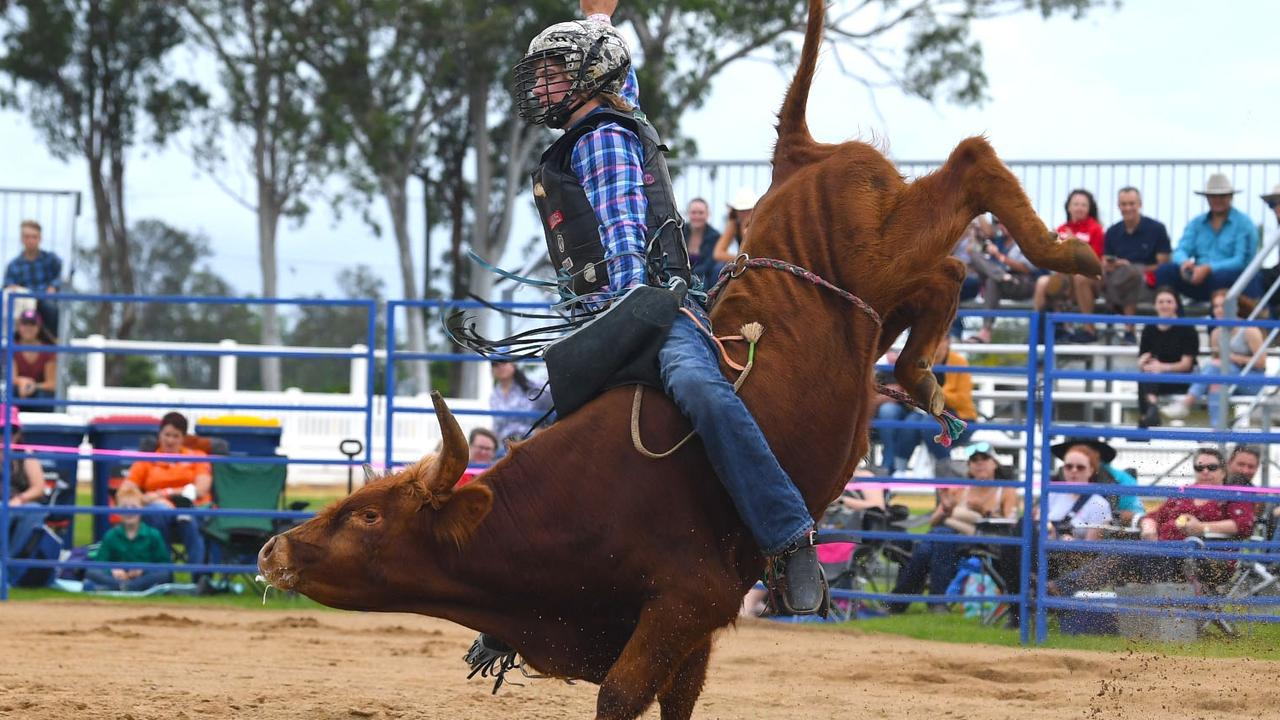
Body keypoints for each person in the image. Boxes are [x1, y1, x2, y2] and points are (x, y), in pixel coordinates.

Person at [513, 0, 824, 613]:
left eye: (554, 70)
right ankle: (521, 589)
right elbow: (612, 74)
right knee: (549, 454)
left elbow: (624, 233)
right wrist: (596, 21)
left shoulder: (601, 137)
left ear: (585, 79)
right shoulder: (601, 119)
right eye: (542, 70)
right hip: (608, 320)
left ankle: (789, 534)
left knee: (700, 391)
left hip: (651, 313)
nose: (543, 82)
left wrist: (621, 324)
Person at [1050, 448, 1255, 596]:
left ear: (1223, 471)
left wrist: (1202, 527)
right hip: (1164, 554)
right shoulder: (1184, 493)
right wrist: (1148, 525)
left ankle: (1059, 592)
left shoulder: (1232, 494)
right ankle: (1068, 600)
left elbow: (1244, 525)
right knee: (1121, 551)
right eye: (1199, 467)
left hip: (1203, 559)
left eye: (1212, 467)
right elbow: (1153, 515)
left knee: (1121, 552)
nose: (1205, 472)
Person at [887, 443, 1018, 613]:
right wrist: (946, 509)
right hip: (950, 537)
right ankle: (936, 602)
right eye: (974, 460)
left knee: (932, 543)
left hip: (984, 540)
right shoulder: (960, 488)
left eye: (984, 459)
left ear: (995, 463)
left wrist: (983, 512)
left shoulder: (1006, 490)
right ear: (969, 466)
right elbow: (934, 521)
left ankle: (898, 603)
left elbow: (1011, 524)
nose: (979, 463)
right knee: (931, 544)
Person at [117, 412, 212, 575]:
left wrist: (165, 494)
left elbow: (201, 488)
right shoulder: (147, 459)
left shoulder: (197, 457)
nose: (170, 440)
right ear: (159, 435)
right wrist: (150, 500)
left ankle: (199, 579)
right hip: (158, 512)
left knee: (187, 520)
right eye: (166, 435)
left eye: (176, 436)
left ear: (183, 438)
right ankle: (163, 575)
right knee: (157, 513)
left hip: (193, 508)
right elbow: (125, 491)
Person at [1161, 289, 1266, 427]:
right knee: (1216, 383)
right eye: (1215, 306)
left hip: (1253, 382)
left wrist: (1233, 358)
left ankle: (1186, 403)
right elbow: (1217, 364)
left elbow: (1261, 363)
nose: (1218, 310)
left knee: (1216, 368)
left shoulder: (1249, 330)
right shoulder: (1216, 333)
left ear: (1234, 307)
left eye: (1222, 306)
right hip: (1228, 379)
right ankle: (1217, 431)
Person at [877, 335, 976, 476]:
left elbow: (961, 401)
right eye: (932, 340)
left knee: (927, 424)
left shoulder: (958, 362)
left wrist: (931, 391)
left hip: (958, 416)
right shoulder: (921, 362)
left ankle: (944, 469)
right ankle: (899, 471)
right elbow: (911, 394)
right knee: (911, 423)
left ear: (948, 342)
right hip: (927, 414)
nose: (935, 345)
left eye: (940, 340)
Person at [1154, 173, 1261, 302]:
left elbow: (1241, 261)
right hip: (1198, 278)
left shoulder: (1244, 223)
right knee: (1165, 271)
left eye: (1222, 196)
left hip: (1230, 281)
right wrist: (1184, 263)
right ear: (1207, 198)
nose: (1217, 200)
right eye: (1213, 196)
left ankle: (1217, 315)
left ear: (1230, 197)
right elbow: (1181, 250)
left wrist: (1209, 268)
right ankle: (1172, 316)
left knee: (1221, 276)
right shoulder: (1197, 223)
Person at [1032, 189, 1105, 343]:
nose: (1079, 208)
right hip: (1064, 276)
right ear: (1069, 207)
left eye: (1083, 205)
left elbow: (1095, 261)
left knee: (1078, 278)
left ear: (1089, 208)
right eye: (1076, 204)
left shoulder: (1095, 229)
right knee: (1042, 282)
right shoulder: (1061, 229)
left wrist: (1075, 245)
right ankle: (1038, 332)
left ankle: (1089, 329)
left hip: (1088, 277)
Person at [1101, 187, 1172, 343]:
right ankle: (1128, 331)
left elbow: (1164, 264)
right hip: (1119, 281)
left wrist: (1133, 268)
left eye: (1131, 203)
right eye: (1124, 204)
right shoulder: (1112, 231)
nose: (1128, 208)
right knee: (1126, 274)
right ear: (1118, 206)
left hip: (1147, 284)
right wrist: (1116, 266)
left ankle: (1114, 308)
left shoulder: (1157, 229)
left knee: (1132, 273)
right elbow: (1106, 260)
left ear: (1140, 204)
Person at [964, 217, 1040, 344]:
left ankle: (985, 331)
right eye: (998, 222)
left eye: (1005, 221)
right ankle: (999, 275)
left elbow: (1027, 269)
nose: (1001, 225)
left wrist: (999, 257)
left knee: (992, 281)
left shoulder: (1026, 241)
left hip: (1021, 281)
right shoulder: (997, 241)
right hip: (1001, 280)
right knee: (974, 255)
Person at [83, 484, 172, 592]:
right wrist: (112, 570)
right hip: (117, 577)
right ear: (118, 510)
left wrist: (143, 570)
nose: (129, 511)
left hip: (143, 576)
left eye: (134, 507)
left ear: (142, 509)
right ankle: (126, 587)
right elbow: (100, 563)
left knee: (163, 574)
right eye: (125, 507)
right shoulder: (111, 535)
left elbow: (163, 563)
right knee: (91, 571)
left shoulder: (153, 534)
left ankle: (122, 587)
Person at [1135, 287, 1199, 428]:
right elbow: (1143, 358)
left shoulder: (1187, 328)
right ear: (1155, 305)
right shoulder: (1149, 328)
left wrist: (1162, 367)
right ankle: (1151, 410)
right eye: (1161, 302)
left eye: (1169, 302)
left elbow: (1187, 364)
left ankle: (1148, 416)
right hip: (1155, 380)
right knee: (1147, 373)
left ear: (1176, 305)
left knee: (1149, 375)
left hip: (1181, 379)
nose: (1165, 305)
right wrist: (1143, 362)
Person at [4, 219, 62, 330]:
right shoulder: (14, 264)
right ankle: (12, 343)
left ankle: (51, 344)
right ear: (22, 239)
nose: (30, 240)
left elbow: (62, 274)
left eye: (34, 237)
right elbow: (8, 284)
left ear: (40, 238)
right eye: (27, 237)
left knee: (50, 308)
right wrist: (12, 287)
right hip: (23, 302)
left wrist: (54, 286)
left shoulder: (50, 259)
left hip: (44, 299)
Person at [5, 407, 48, 551]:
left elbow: (39, 487)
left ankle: (12, 562)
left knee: (35, 510)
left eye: (12, 430)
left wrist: (20, 499)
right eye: (1, 430)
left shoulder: (25, 453)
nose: (6, 436)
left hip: (20, 504)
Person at [489, 359, 553, 450]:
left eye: (503, 362)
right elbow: (497, 427)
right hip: (504, 447)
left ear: (513, 364)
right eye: (495, 365)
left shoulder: (532, 385)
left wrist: (545, 428)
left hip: (531, 442)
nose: (500, 367)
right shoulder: (494, 395)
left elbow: (554, 393)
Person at [10, 309, 57, 412]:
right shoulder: (11, 347)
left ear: (38, 327)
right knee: (10, 392)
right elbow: (11, 378)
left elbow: (52, 383)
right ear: (19, 326)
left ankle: (41, 427)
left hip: (39, 393)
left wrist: (34, 386)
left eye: (32, 324)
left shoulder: (48, 350)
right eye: (25, 324)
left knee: (45, 398)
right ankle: (9, 424)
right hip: (18, 392)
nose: (28, 328)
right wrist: (22, 382)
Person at [683, 198, 722, 293]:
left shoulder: (714, 236)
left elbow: (709, 264)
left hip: (704, 278)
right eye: (693, 212)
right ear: (688, 214)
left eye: (701, 213)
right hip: (681, 275)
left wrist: (690, 275)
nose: (697, 216)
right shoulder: (680, 232)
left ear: (707, 214)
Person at [711, 188, 757, 264]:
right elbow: (718, 254)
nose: (745, 214)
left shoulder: (760, 225)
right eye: (741, 211)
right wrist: (740, 259)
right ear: (735, 211)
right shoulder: (734, 225)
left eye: (748, 210)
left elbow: (754, 252)